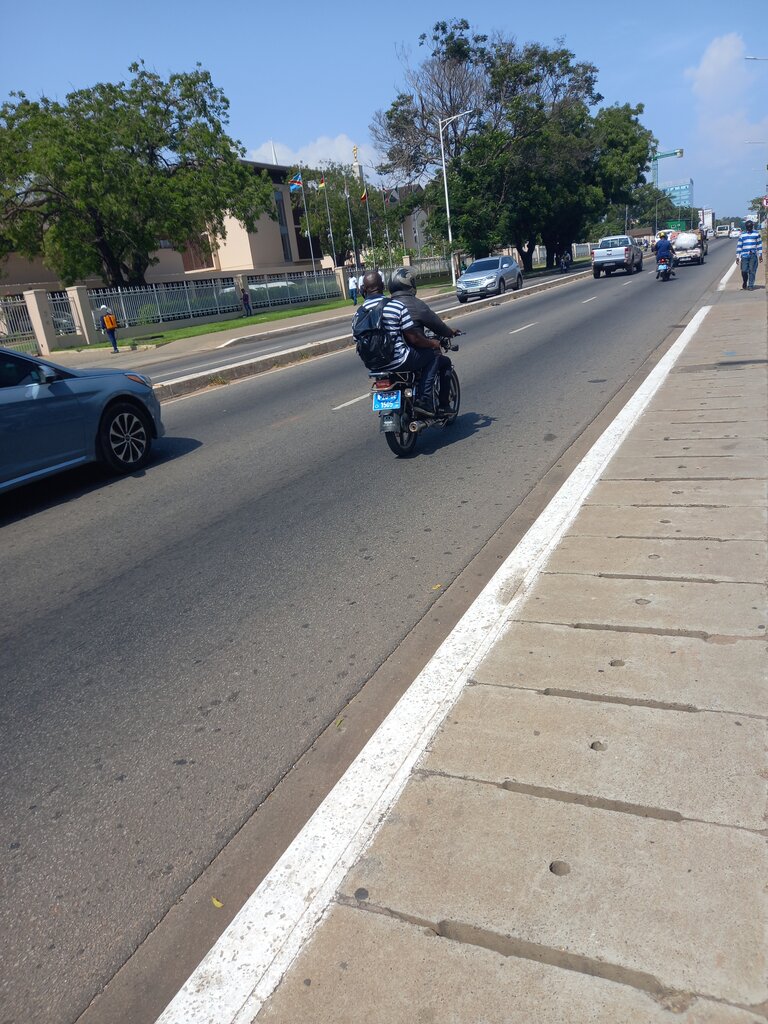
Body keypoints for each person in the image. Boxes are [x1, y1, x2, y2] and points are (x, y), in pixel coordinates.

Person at [358, 270, 443, 417]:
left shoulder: (358, 314)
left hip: (374, 366)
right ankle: (424, 400)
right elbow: (414, 339)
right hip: (400, 361)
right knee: (434, 356)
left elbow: (359, 342)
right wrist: (432, 343)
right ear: (383, 286)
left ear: (363, 290)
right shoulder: (395, 306)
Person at [388, 267, 458, 414]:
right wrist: (449, 332)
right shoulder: (415, 304)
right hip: (411, 354)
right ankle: (433, 401)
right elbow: (436, 325)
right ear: (409, 284)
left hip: (390, 357)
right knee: (441, 360)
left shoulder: (387, 305)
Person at [735, 220, 763, 290]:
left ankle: (750, 285)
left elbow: (759, 244)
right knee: (744, 270)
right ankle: (745, 281)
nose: (749, 228)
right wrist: (737, 257)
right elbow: (739, 246)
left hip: (753, 255)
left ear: (752, 227)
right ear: (746, 227)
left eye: (750, 227)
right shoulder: (742, 235)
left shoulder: (756, 234)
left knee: (752, 270)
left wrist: (760, 255)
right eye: (748, 227)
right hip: (744, 256)